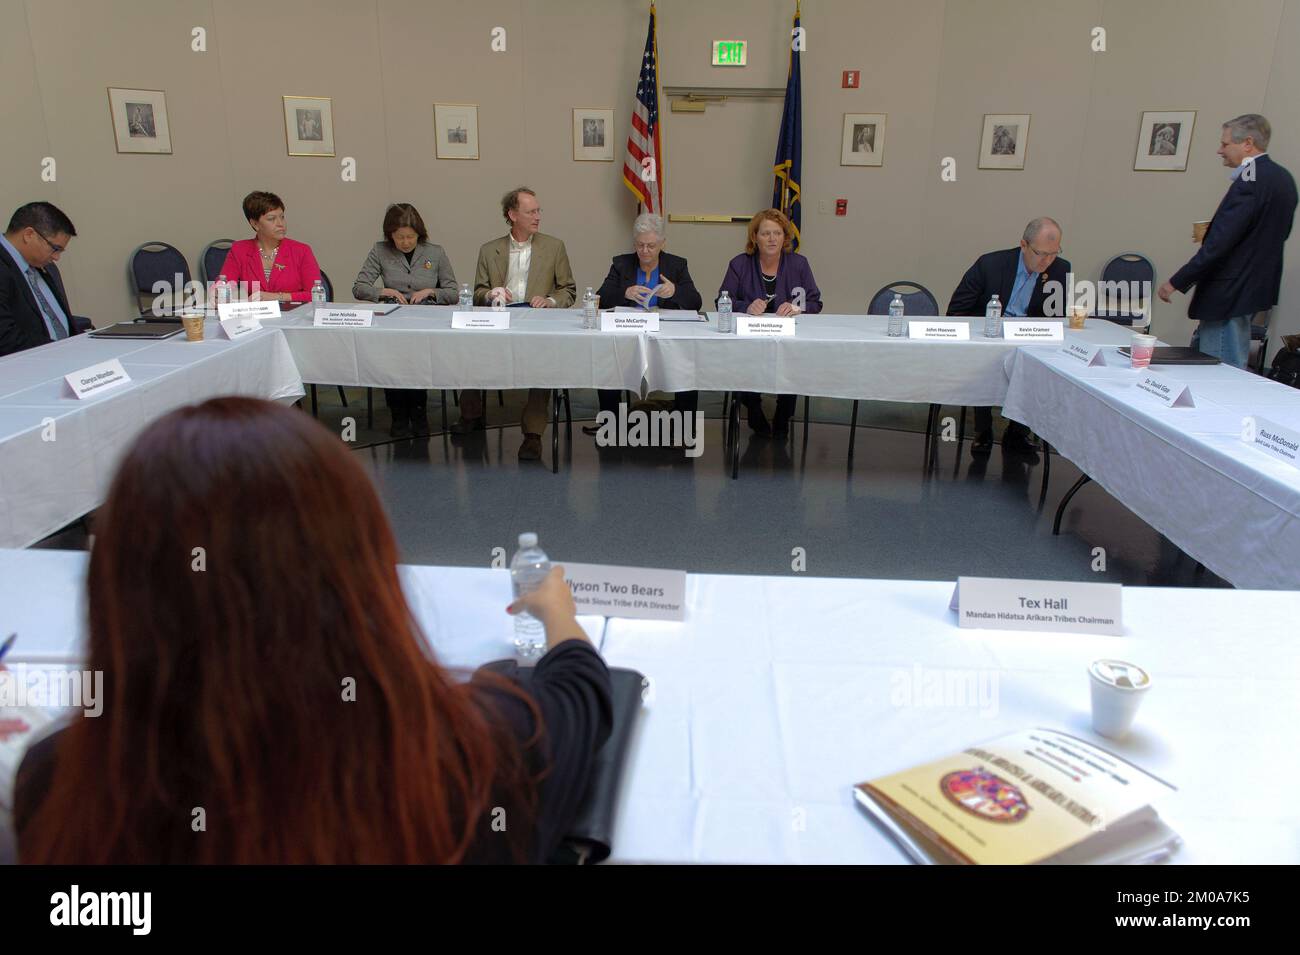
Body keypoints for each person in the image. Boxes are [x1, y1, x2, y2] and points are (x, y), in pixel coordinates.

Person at [14, 397, 611, 864]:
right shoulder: (472, 758)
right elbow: (582, 687)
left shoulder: (57, 785)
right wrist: (556, 609)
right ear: (360, 571)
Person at [1158, 114, 1298, 367]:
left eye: (1224, 144)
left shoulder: (1250, 180)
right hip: (1254, 287)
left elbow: (1221, 243)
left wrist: (1177, 281)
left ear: (1247, 143)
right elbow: (1277, 233)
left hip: (1230, 290)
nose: (1219, 150)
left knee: (1220, 370)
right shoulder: (1283, 178)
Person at [458, 187, 576, 461]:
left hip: (537, 325)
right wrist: (490, 294)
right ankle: (471, 415)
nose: (538, 217)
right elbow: (477, 293)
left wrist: (550, 301)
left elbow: (568, 290)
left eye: (538, 211)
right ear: (512, 215)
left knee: (543, 365)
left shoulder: (554, 247)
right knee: (469, 348)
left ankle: (533, 435)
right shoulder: (489, 250)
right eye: (531, 212)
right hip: (498, 322)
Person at [947, 216, 1070, 456]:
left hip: (1028, 339)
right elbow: (957, 309)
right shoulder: (990, 264)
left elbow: (1055, 318)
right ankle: (983, 430)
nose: (1048, 261)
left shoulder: (1061, 269)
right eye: (1041, 253)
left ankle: (1017, 433)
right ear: (1023, 245)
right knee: (983, 361)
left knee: (1038, 364)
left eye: (1054, 253)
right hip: (988, 335)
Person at [352, 203, 458, 437]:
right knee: (393, 364)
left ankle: (419, 414)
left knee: (418, 363)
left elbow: (453, 292)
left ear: (419, 234)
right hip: (393, 320)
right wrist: (383, 292)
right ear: (390, 235)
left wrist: (431, 291)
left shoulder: (435, 252)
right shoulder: (380, 251)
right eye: (400, 237)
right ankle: (398, 414)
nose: (406, 242)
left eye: (411, 237)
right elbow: (359, 288)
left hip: (426, 320)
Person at [590, 213, 703, 432]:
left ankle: (684, 427)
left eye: (651, 246)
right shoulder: (622, 264)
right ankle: (610, 422)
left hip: (665, 336)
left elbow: (696, 302)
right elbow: (601, 298)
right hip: (628, 334)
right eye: (640, 245)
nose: (645, 251)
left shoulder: (676, 265)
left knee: (687, 365)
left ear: (662, 243)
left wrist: (675, 291)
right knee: (607, 359)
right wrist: (625, 292)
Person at [718, 208, 823, 437]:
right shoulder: (739, 264)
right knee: (744, 360)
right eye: (766, 233)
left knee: (793, 361)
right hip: (751, 339)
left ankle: (783, 414)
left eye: (777, 233)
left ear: (785, 237)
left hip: (789, 340)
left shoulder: (799, 264)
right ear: (754, 237)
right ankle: (753, 409)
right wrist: (745, 306)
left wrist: (798, 307)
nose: (772, 239)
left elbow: (815, 302)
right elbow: (722, 300)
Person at [0, 201, 90, 357]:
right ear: (29, 235)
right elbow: (5, 338)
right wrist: (61, 351)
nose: (56, 257)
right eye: (55, 248)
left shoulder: (43, 266)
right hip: (28, 368)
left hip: (68, 360)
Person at [215, 191, 322, 304]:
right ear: (255, 224)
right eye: (271, 219)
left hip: (294, 317)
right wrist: (219, 292)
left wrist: (276, 297)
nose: (280, 224)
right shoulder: (239, 249)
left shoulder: (302, 251)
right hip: (254, 318)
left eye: (282, 217)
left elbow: (315, 294)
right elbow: (224, 284)